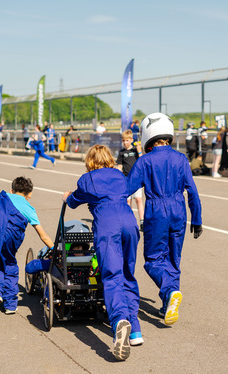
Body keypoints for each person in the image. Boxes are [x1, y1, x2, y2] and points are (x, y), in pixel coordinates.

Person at [63, 144, 140, 361]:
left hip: (108, 227)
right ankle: (135, 330)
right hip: (129, 223)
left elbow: (74, 200)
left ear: (90, 161)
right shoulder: (119, 175)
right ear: (109, 158)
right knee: (127, 274)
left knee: (112, 277)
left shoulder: (88, 179)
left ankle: (119, 321)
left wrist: (66, 197)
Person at [127, 112, 203, 327]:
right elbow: (193, 192)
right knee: (173, 260)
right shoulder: (181, 158)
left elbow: (126, 189)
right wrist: (196, 219)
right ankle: (167, 303)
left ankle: (169, 291)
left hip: (156, 210)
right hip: (179, 210)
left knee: (152, 260)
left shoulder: (145, 161)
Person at [0, 177, 54, 314]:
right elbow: (42, 234)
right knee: (9, 263)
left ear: (11, 190)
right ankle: (10, 304)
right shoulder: (28, 207)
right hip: (11, 237)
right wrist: (53, 249)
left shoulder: (0, 200)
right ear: (30, 194)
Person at [116, 130, 144, 230]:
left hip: (136, 179)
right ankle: (130, 221)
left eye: (127, 140)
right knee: (128, 201)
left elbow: (141, 160)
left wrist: (139, 150)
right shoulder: (121, 152)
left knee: (138, 199)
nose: (125, 143)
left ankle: (142, 221)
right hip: (126, 179)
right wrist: (118, 174)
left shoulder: (135, 150)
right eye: (123, 141)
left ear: (131, 140)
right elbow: (119, 165)